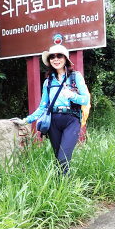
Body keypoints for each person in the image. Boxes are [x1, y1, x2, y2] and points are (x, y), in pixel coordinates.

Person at [20, 44, 90, 176]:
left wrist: (72, 95)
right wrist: (26, 120)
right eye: (52, 57)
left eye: (59, 56)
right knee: (59, 159)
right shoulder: (48, 82)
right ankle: (61, 186)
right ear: (49, 61)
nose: (55, 59)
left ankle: (66, 185)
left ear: (65, 59)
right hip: (53, 122)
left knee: (63, 158)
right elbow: (42, 107)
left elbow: (85, 100)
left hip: (72, 120)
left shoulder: (75, 77)